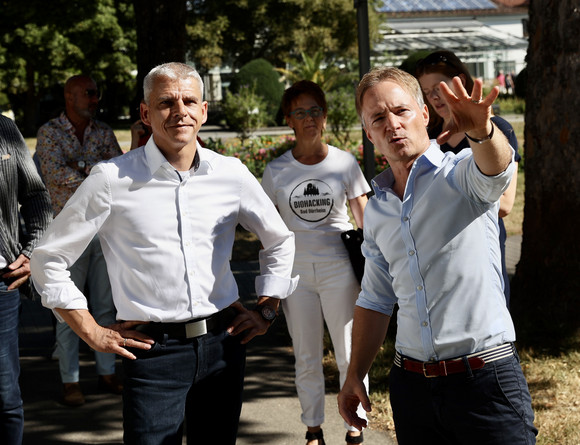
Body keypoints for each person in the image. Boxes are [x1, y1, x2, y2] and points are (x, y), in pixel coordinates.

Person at [30, 62, 297, 445]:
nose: (180, 111)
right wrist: (90, 331)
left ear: (204, 111)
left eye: (189, 101)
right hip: (152, 354)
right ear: (145, 113)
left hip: (224, 346)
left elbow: (280, 240)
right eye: (166, 102)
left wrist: (268, 309)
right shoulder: (112, 179)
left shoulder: (231, 174)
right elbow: (48, 258)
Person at [337, 67, 537, 444]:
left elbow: (496, 170)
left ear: (425, 115)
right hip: (412, 390)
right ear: (369, 134)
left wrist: (482, 132)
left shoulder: (461, 173)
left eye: (401, 111)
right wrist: (353, 376)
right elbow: (376, 299)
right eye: (378, 118)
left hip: (486, 383)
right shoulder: (378, 209)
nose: (392, 124)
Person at [262, 80, 370, 445]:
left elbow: (364, 219)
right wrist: (269, 284)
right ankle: (313, 428)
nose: (308, 118)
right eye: (299, 112)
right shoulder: (276, 171)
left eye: (314, 111)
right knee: (306, 354)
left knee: (349, 352)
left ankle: (355, 424)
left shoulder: (344, 162)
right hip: (296, 273)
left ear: (324, 117)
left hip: (340, 269)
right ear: (289, 120)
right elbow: (266, 229)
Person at [35, 74, 124, 406]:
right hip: (69, 236)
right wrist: (94, 173)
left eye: (96, 94)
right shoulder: (49, 133)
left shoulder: (103, 132)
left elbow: (116, 173)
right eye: (89, 93)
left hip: (104, 232)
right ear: (69, 96)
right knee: (68, 308)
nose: (95, 99)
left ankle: (106, 372)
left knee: (105, 306)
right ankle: (70, 380)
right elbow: (55, 175)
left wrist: (81, 167)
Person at [415, 50, 520, 307]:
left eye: (439, 87)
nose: (434, 97)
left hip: (481, 243)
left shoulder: (496, 130)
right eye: (426, 92)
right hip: (434, 243)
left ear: (460, 80)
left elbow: (504, 204)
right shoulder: (428, 135)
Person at [0, 114, 52, 444]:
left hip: (2, 284)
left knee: (4, 397)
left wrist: (32, 249)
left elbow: (35, 195)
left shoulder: (3, 129)